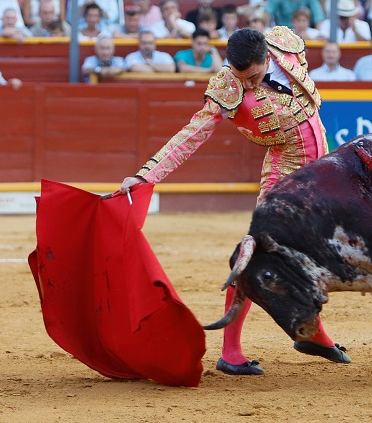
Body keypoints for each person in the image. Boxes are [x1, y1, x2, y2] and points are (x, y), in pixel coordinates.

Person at [116, 28, 348, 375]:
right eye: (243, 79)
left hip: (321, 169)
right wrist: (146, 174)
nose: (249, 86)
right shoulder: (229, 85)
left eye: (254, 77)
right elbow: (192, 134)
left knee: (317, 254)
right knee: (255, 254)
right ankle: (232, 351)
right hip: (284, 172)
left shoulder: (284, 44)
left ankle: (313, 334)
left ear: (267, 57)